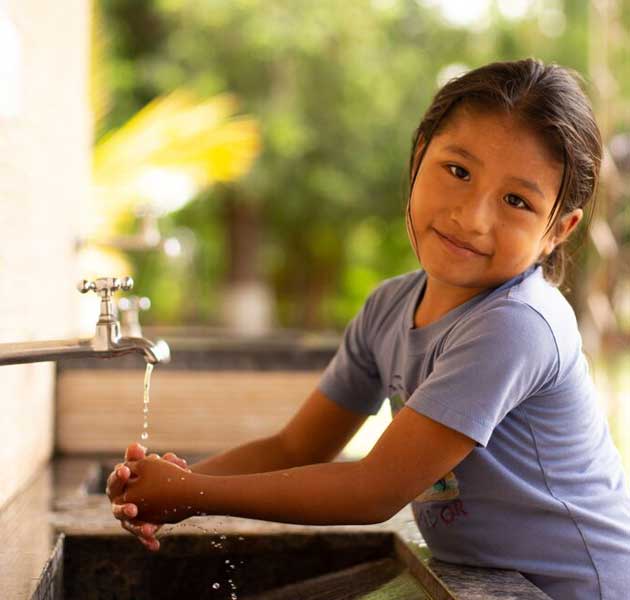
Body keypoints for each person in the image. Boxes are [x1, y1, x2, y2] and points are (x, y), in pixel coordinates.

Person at [106, 58, 630, 600]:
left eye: (517, 201)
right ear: (419, 152)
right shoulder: (390, 306)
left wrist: (195, 495)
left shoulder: (518, 324)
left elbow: (375, 488)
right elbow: (295, 447)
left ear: (557, 231)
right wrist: (175, 485)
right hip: (479, 584)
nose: (472, 217)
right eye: (458, 171)